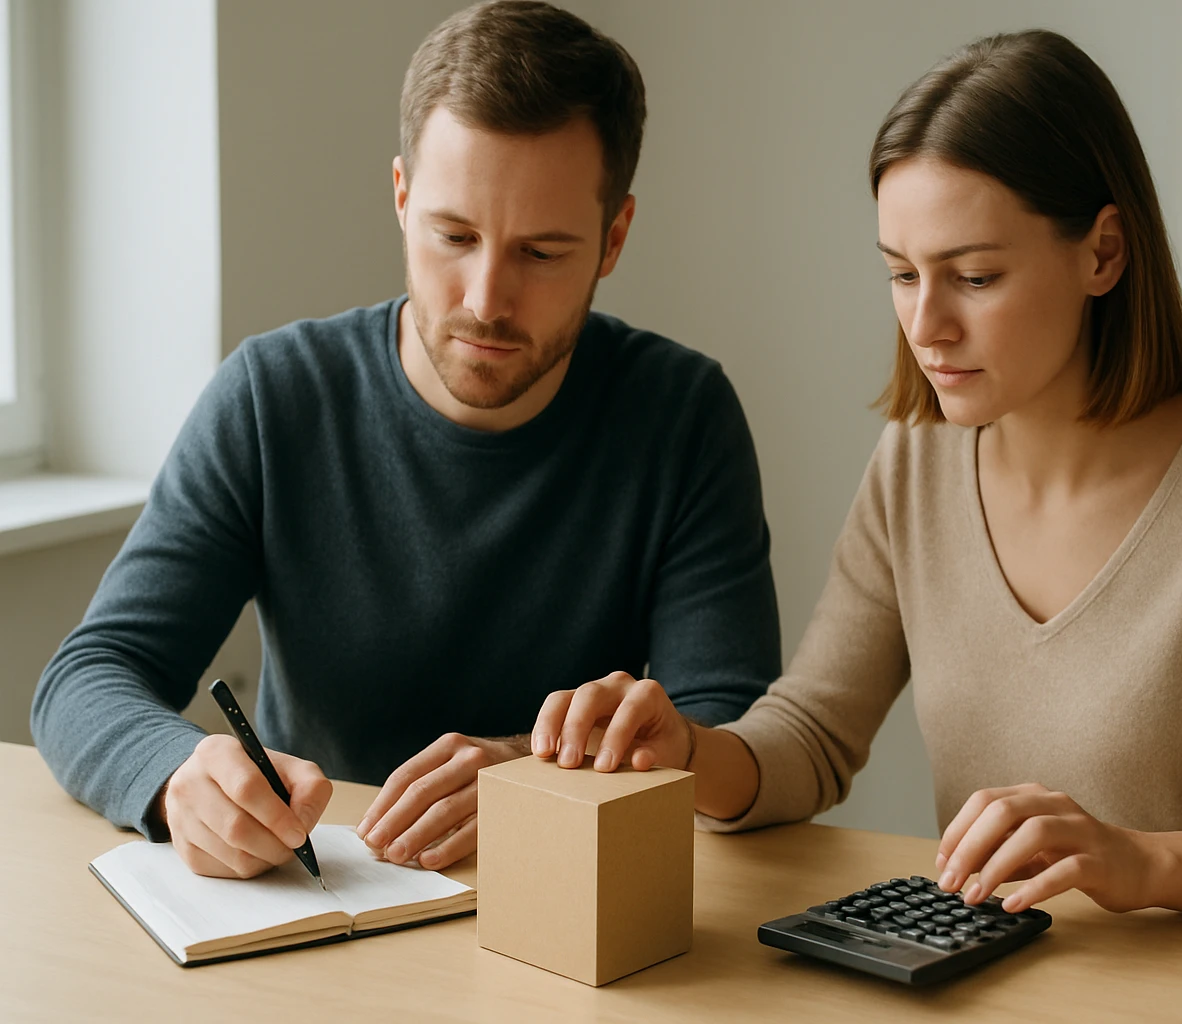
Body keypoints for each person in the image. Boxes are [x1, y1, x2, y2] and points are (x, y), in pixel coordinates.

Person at [532, 29, 1182, 931]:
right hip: (977, 981)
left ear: (1103, 252)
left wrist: (1143, 864)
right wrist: (692, 755)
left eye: (974, 277)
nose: (926, 324)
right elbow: (814, 734)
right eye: (902, 274)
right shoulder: (916, 459)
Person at [30, 1, 780, 879]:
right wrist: (174, 775)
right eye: (453, 235)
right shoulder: (274, 396)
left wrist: (528, 772)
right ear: (400, 197)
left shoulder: (681, 413)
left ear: (613, 238)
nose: (487, 298)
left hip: (570, 906)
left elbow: (724, 729)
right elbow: (91, 672)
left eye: (541, 253)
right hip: (316, 898)